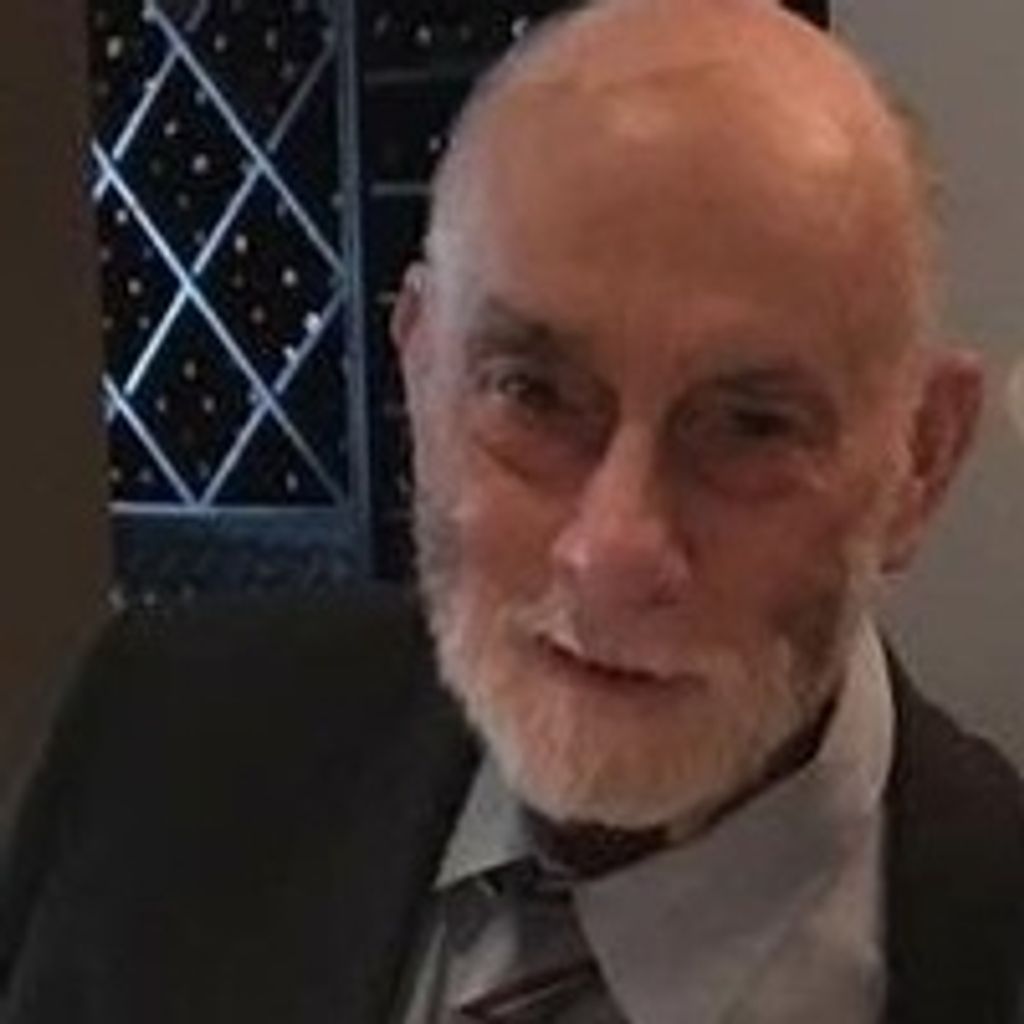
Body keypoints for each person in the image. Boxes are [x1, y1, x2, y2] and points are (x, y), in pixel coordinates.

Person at [1, 0, 1022, 1021]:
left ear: (922, 460)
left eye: (750, 426)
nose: (611, 550)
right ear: (418, 371)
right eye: (533, 395)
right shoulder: (158, 747)